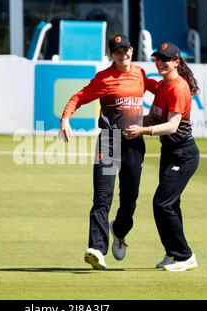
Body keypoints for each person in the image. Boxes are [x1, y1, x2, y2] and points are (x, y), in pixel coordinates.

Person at [59, 35, 157, 270]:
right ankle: (97, 249)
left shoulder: (140, 74)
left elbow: (161, 89)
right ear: (110, 55)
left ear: (132, 51)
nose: (123, 54)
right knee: (102, 198)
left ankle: (119, 231)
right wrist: (65, 119)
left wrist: (179, 86)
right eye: (118, 51)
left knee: (130, 200)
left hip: (135, 142)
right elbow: (78, 97)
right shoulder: (103, 79)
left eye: (126, 50)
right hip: (109, 140)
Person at [124, 42, 200, 272]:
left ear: (177, 62)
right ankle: (173, 253)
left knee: (162, 204)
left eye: (165, 59)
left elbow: (172, 126)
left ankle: (185, 256)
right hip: (170, 152)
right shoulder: (163, 86)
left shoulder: (178, 87)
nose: (160, 63)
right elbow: (153, 117)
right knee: (170, 205)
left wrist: (142, 131)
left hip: (183, 154)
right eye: (158, 59)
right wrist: (127, 124)